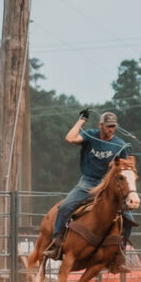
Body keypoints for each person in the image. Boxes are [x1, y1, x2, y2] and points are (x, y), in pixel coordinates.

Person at [44, 109, 134, 266]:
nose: (110, 129)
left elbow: (125, 169)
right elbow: (70, 138)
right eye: (107, 126)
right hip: (88, 182)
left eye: (113, 126)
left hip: (107, 186)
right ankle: (56, 242)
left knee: (129, 219)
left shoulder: (120, 145)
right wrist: (81, 121)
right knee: (65, 206)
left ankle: (119, 253)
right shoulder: (90, 136)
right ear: (100, 125)